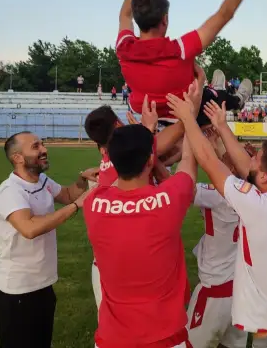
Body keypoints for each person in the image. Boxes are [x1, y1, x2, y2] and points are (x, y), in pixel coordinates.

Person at [167, 94, 267, 347]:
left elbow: (209, 161)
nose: (250, 156)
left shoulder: (258, 206)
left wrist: (188, 118)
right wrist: (222, 126)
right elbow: (244, 166)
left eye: (257, 156)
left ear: (263, 177)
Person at [115, 0, 267, 119]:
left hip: (147, 114)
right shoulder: (180, 50)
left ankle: (217, 91)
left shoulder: (124, 48)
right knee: (211, 98)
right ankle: (236, 100)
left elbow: (124, 15)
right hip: (186, 114)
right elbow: (225, 14)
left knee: (206, 94)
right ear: (165, 19)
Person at [83, 124, 197, 347]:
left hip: (111, 339)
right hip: (164, 337)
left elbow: (114, 181)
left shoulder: (93, 203)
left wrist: (146, 130)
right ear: (150, 161)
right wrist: (188, 117)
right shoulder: (169, 199)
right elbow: (187, 164)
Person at [0, 132, 97, 348]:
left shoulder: (42, 181)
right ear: (18, 158)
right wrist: (76, 207)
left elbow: (68, 194)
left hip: (42, 286)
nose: (44, 149)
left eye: (43, 144)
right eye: (36, 146)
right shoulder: (10, 191)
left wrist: (81, 180)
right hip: (18, 292)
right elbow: (29, 228)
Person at [83, 96, 184, 310]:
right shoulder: (128, 154)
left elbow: (163, 156)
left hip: (110, 264)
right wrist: (188, 114)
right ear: (118, 124)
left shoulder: (111, 163)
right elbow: (177, 133)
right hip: (134, 266)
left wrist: (147, 132)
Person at [186, 134, 253, 348]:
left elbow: (179, 186)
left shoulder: (217, 194)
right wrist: (216, 142)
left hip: (215, 291)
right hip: (240, 290)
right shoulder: (255, 193)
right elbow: (225, 163)